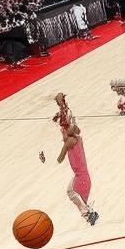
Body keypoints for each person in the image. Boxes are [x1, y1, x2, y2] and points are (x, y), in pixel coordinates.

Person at [52, 94, 99, 225]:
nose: (62, 133)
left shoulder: (71, 140)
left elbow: (60, 158)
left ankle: (88, 213)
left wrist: (62, 105)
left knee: (71, 192)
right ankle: (88, 213)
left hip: (82, 178)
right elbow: (70, 123)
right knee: (72, 194)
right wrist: (61, 107)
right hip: (83, 178)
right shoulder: (76, 137)